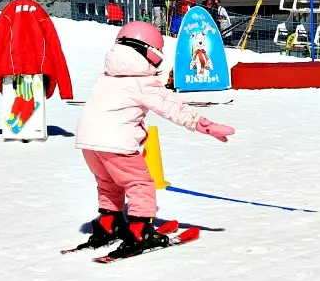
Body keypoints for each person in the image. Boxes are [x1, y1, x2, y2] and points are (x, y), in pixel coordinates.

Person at [73, 21, 234, 257]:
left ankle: (108, 224)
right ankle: (140, 232)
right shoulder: (142, 80)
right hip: (117, 144)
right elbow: (171, 106)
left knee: (109, 184)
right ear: (150, 53)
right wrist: (204, 125)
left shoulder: (107, 76)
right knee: (140, 184)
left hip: (88, 143)